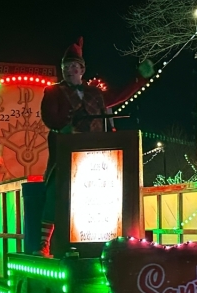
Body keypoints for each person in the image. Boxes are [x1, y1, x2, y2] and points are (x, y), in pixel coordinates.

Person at [38, 37, 153, 256]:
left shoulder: (94, 93)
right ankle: (44, 243)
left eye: (73, 67)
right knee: (56, 194)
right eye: (65, 67)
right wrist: (65, 128)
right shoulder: (53, 92)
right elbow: (49, 117)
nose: (69, 71)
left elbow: (119, 95)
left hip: (97, 156)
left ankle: (105, 243)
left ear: (82, 70)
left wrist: (139, 78)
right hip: (66, 155)